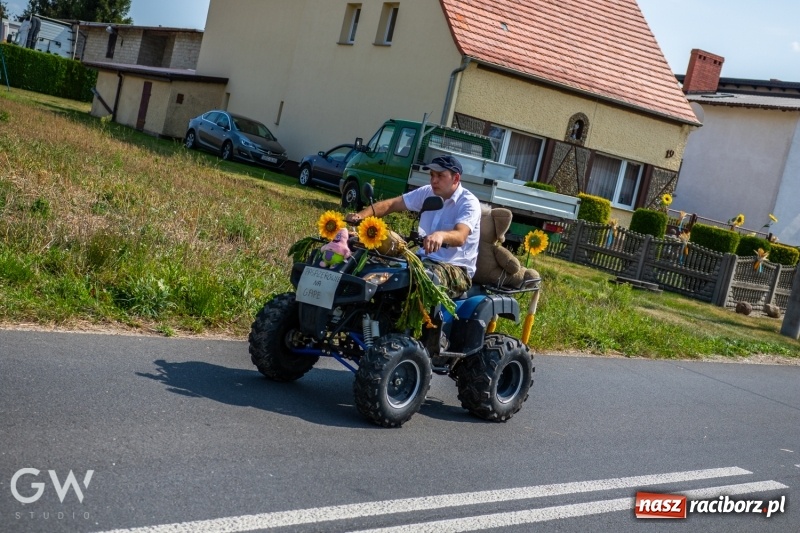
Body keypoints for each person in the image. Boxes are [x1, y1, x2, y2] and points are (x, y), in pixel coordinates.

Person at [345, 155, 481, 298]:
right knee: (375, 267)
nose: (434, 180)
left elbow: (461, 236)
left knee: (421, 280)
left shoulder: (468, 202)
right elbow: (392, 204)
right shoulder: (427, 192)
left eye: (440, 175)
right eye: (432, 175)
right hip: (422, 260)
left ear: (456, 178)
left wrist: (440, 235)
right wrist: (360, 216)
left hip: (455, 268)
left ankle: (416, 320)